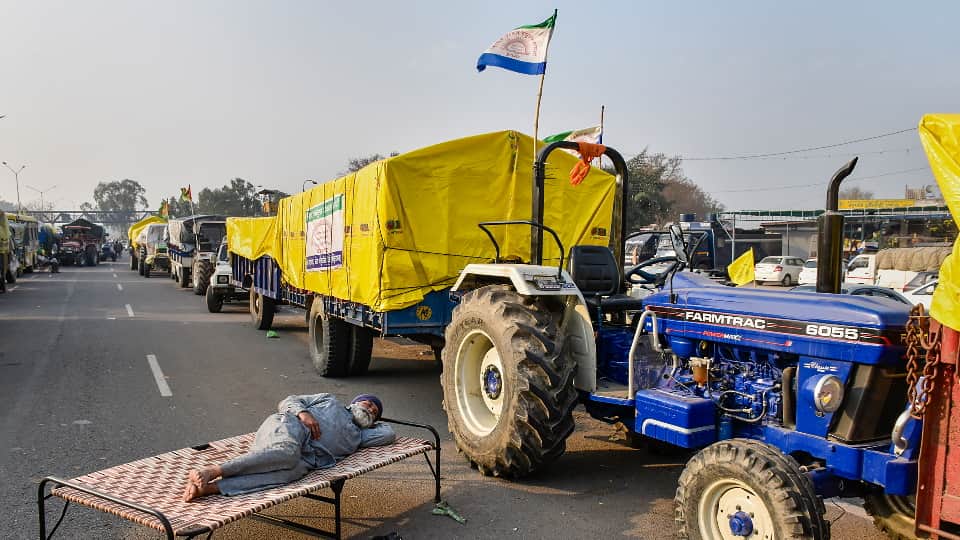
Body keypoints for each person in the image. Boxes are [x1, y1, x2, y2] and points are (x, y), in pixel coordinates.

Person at [183, 393, 394, 501]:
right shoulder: (331, 401)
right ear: (355, 402)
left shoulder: (360, 436)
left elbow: (389, 434)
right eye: (367, 402)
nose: (371, 408)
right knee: (287, 453)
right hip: (289, 427)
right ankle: (214, 471)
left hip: (308, 458)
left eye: (374, 411)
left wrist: (371, 421)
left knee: (288, 475)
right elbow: (288, 400)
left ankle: (208, 489)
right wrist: (304, 414)